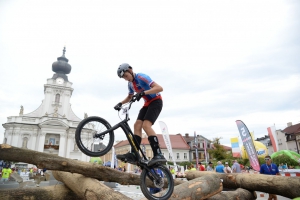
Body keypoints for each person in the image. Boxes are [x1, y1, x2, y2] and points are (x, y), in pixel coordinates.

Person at [114, 63, 166, 166]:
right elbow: (129, 97)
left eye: (125, 76)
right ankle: (134, 153)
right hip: (147, 104)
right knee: (137, 125)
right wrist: (120, 103)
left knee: (146, 125)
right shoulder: (130, 84)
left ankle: (158, 154)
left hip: (156, 101)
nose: (125, 79)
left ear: (130, 70)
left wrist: (143, 93)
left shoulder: (142, 77)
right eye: (123, 78)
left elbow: (160, 88)